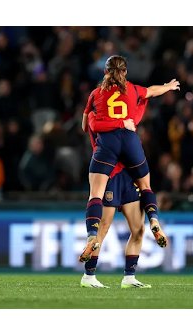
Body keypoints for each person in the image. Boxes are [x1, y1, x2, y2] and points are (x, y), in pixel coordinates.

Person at [79, 55, 179, 262]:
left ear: (106, 72)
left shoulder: (96, 95)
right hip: (129, 156)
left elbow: (88, 125)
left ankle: (91, 248)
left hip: (110, 165)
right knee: (145, 193)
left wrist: (93, 117)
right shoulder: (133, 93)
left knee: (99, 216)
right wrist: (168, 86)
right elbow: (151, 91)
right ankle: (155, 221)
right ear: (124, 72)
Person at [80, 97, 165, 289]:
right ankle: (89, 276)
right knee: (102, 229)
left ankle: (129, 277)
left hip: (129, 177)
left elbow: (141, 103)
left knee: (138, 229)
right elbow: (88, 124)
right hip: (109, 175)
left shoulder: (122, 114)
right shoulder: (96, 118)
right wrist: (122, 123)